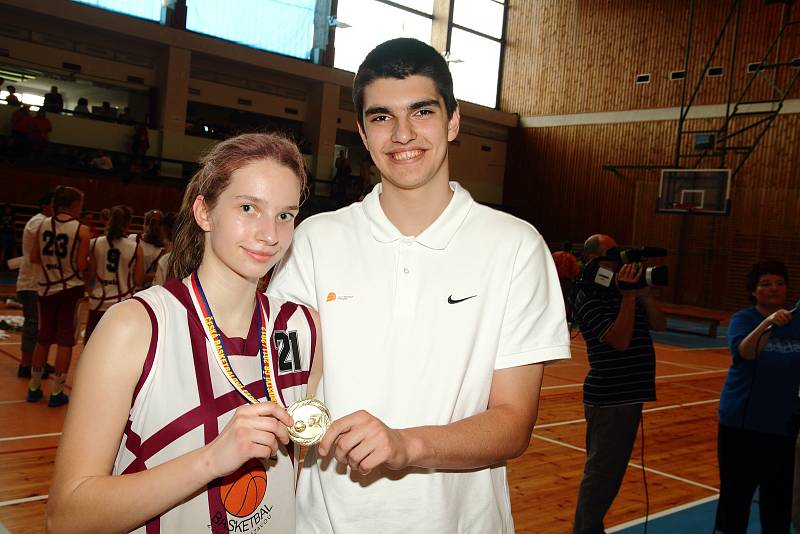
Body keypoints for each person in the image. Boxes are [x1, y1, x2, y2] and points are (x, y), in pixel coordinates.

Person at [268, 38, 571, 532]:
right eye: (382, 117)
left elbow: (514, 423)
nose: (402, 134)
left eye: (422, 112)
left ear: (453, 121)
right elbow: (290, 382)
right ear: (363, 134)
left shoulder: (516, 247)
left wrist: (406, 445)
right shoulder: (315, 240)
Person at [47, 133, 321, 533]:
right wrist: (211, 460)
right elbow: (65, 517)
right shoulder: (135, 327)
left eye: (285, 215)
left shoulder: (304, 328)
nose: (270, 234)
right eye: (248, 208)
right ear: (204, 212)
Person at [571, 234, 666, 534]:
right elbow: (620, 341)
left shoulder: (621, 291)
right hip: (611, 397)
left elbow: (660, 324)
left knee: (608, 475)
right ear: (595, 260)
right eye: (612, 254)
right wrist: (627, 297)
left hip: (629, 396)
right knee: (602, 476)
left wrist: (644, 296)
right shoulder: (588, 297)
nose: (620, 260)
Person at [714, 260, 800, 534]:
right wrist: (768, 322)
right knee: (735, 498)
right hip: (741, 425)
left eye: (779, 283)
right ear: (753, 291)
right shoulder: (744, 319)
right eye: (766, 284)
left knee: (778, 502)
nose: (774, 289)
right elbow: (746, 353)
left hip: (784, 426)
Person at [26, 186, 90, 407]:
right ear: (73, 205)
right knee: (65, 341)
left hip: (45, 287)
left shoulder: (42, 224)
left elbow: (34, 257)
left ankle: (33, 387)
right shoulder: (81, 230)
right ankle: (56, 391)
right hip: (69, 289)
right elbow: (81, 265)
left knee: (43, 338)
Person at [85, 205, 144, 341]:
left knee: (92, 345)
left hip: (99, 301)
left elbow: (91, 275)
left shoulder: (94, 243)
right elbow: (139, 280)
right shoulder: (135, 248)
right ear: (128, 223)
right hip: (122, 302)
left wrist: (90, 291)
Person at [15, 192, 54, 378]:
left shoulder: (43, 222)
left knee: (39, 326)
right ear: (45, 206)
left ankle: (37, 362)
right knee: (33, 324)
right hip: (31, 283)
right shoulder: (38, 223)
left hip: (39, 283)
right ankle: (25, 364)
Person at [129, 209, 165, 289]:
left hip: (126, 287)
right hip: (144, 291)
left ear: (145, 224)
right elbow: (157, 275)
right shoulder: (162, 249)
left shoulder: (132, 238)